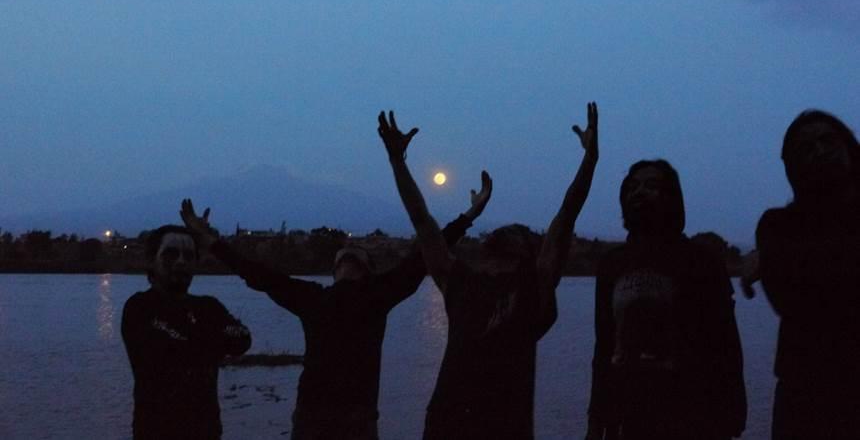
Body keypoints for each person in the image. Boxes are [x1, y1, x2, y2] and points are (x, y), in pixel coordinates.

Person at [179, 180, 491, 440]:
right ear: (334, 270)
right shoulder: (314, 298)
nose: (349, 252)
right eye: (343, 253)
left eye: (357, 252)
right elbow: (257, 274)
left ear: (369, 269)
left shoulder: (379, 294)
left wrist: (470, 215)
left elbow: (428, 250)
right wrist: (212, 242)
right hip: (312, 417)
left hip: (358, 418)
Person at [378, 103, 598, 440]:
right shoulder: (461, 281)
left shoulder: (533, 286)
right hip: (446, 426)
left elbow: (567, 214)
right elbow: (421, 220)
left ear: (526, 254)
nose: (503, 233)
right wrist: (397, 161)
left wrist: (590, 159)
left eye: (515, 233)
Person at [586, 159, 746, 440]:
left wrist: (732, 413)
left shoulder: (702, 261)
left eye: (651, 185)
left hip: (692, 416)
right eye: (632, 187)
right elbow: (604, 347)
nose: (639, 192)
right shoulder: (612, 264)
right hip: (626, 417)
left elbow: (725, 343)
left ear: (672, 197)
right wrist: (596, 420)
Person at [755, 110, 860, 439]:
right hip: (805, 398)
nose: (819, 150)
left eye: (827, 140)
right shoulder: (776, 226)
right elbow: (797, 298)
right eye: (805, 148)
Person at [121, 224, 252, 440]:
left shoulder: (208, 306)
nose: (181, 262)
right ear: (152, 260)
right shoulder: (140, 307)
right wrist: (211, 337)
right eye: (171, 254)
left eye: (189, 256)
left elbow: (242, 339)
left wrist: (197, 337)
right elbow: (169, 349)